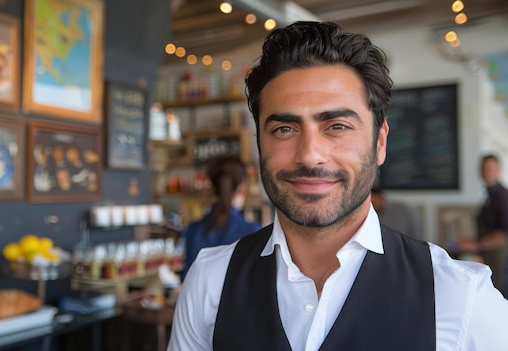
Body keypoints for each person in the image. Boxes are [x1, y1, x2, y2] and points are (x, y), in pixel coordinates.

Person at [168, 21, 508, 351]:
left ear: (379, 143)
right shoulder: (209, 281)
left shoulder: (461, 298)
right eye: (284, 129)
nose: (310, 155)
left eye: (338, 126)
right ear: (260, 143)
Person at [179, 155, 261, 280]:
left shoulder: (193, 229)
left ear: (212, 187)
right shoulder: (253, 232)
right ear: (242, 187)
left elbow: (187, 278)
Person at [457, 154, 508, 294]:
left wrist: (478, 244)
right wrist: (473, 241)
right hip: (489, 255)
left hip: (500, 257)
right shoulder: (490, 196)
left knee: (498, 293)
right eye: (485, 169)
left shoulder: (502, 196)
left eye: (491, 169)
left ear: (499, 171)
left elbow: (505, 232)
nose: (487, 173)